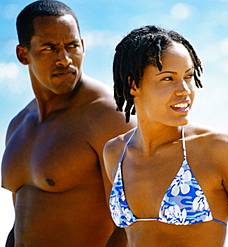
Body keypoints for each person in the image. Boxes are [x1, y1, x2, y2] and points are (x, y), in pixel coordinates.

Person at [103, 25, 228, 247]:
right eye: (168, 79)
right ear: (134, 85)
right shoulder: (116, 152)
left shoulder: (220, 150)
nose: (185, 90)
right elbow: (124, 235)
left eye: (188, 76)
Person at [0, 1, 135, 246]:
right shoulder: (17, 125)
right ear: (23, 54)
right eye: (49, 48)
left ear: (83, 47)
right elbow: (20, 223)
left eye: (72, 46)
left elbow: (130, 226)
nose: (64, 59)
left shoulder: (107, 116)